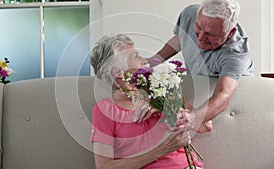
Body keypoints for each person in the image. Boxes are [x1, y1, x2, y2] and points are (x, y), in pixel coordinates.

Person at [90, 34, 209, 169]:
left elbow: (206, 125)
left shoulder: (161, 90)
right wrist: (161, 150)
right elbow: (105, 167)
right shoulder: (105, 110)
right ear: (118, 72)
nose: (145, 60)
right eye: (136, 56)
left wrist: (172, 110)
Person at [150, 0, 254, 127]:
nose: (200, 38)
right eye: (198, 27)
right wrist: (151, 62)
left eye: (210, 34)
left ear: (230, 33)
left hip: (228, 103)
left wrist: (193, 118)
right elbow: (180, 39)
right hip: (196, 90)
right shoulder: (189, 14)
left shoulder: (235, 54)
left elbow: (223, 93)